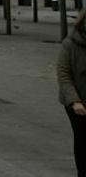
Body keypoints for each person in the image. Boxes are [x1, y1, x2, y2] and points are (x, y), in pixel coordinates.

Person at [58, 9, 86, 175]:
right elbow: (63, 74)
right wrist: (75, 101)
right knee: (83, 140)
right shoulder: (70, 44)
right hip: (77, 101)